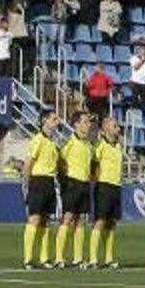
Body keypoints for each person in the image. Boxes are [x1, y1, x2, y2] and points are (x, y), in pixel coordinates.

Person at [52, 111, 95, 268]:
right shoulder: (69, 142)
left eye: (88, 122)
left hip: (84, 184)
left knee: (81, 220)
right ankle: (58, 258)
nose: (88, 125)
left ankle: (77, 259)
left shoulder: (88, 145)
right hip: (72, 183)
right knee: (67, 218)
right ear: (76, 124)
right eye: (84, 122)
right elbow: (60, 160)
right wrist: (64, 181)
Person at [21, 109, 62, 269]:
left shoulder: (52, 142)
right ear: (45, 120)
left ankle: (44, 259)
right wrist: (26, 184)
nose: (57, 122)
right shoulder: (38, 139)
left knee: (46, 221)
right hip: (38, 181)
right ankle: (28, 259)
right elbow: (29, 163)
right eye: (54, 119)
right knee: (35, 219)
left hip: (49, 182)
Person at [88, 115, 123, 269]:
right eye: (114, 125)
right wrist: (95, 179)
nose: (118, 128)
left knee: (112, 223)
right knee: (100, 221)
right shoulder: (100, 145)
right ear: (106, 128)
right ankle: (93, 259)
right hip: (103, 185)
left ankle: (108, 258)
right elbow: (93, 163)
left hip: (116, 186)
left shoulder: (119, 146)